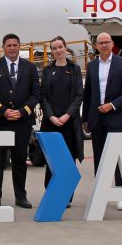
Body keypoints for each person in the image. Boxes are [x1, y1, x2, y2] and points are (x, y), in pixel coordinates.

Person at [82, 32, 122, 211]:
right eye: (101, 43)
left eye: (107, 42)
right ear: (96, 46)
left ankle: (121, 193)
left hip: (116, 117)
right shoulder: (91, 66)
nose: (104, 45)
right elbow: (88, 94)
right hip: (97, 118)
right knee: (99, 157)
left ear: (112, 44)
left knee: (118, 158)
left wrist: (112, 105)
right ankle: (101, 192)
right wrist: (85, 119)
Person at [0, 33, 40, 208]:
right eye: (9, 45)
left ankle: (20, 196)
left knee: (20, 160)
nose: (12, 48)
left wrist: (22, 112)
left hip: (22, 122)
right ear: (3, 47)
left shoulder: (30, 67)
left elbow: (35, 93)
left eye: (15, 45)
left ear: (19, 46)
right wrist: (3, 111)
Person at [40, 36, 84, 204]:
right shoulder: (47, 70)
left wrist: (67, 115)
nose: (58, 50)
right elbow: (42, 96)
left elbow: (79, 96)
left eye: (60, 47)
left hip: (69, 122)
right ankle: (51, 193)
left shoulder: (75, 69)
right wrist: (51, 116)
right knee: (51, 160)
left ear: (66, 48)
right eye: (54, 48)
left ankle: (66, 197)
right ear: (51, 51)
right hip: (51, 123)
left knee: (68, 159)